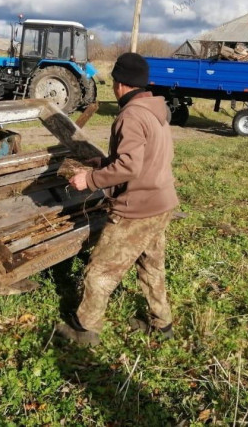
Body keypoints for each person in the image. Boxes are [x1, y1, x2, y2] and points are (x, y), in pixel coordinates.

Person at [56, 52, 179, 346]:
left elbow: (129, 166)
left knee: (100, 271)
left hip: (138, 208)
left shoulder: (131, 115)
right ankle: (162, 324)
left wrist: (89, 179)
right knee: (152, 266)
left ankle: (84, 329)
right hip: (161, 202)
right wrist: (102, 164)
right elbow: (145, 157)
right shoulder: (154, 110)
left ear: (120, 84)